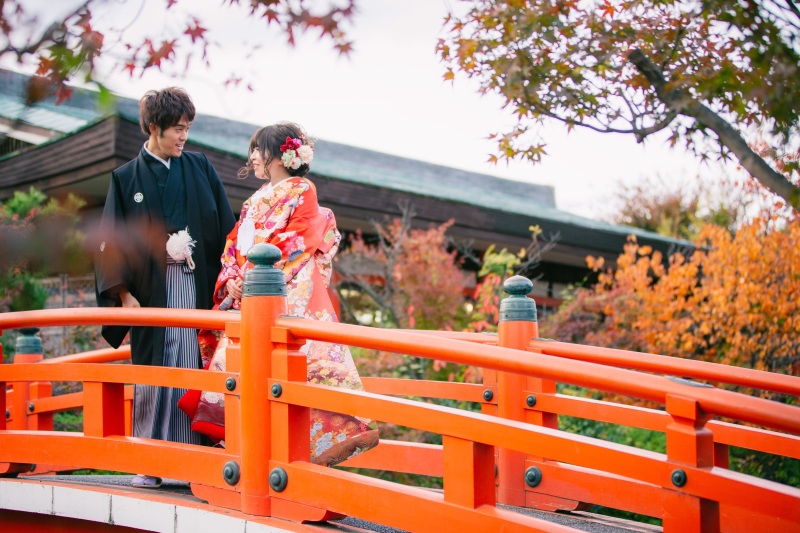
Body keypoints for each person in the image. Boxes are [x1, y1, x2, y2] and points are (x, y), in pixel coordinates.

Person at [180, 122, 379, 466]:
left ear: (279, 155)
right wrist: (231, 280)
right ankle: (251, 449)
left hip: (287, 291)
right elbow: (232, 246)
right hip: (251, 291)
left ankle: (302, 451)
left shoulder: (303, 190)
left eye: (258, 150)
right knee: (246, 371)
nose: (253, 157)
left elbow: (301, 237)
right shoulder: (252, 201)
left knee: (301, 368)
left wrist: (255, 273)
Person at [94, 87, 236, 488]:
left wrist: (230, 281)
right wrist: (124, 296)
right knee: (157, 368)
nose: (183, 137)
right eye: (177, 129)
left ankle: (202, 461)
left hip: (197, 285)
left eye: (188, 129)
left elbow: (226, 227)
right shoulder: (125, 179)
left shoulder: (200, 167)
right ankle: (151, 460)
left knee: (197, 364)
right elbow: (111, 240)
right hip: (152, 292)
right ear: (154, 127)